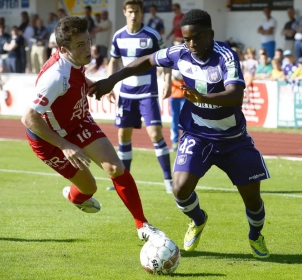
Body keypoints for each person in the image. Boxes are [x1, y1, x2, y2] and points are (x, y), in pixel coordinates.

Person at [88, 9, 271, 259]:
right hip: (198, 134)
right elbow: (147, 60)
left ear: (211, 34)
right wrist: (113, 79)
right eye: (187, 39)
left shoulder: (225, 56)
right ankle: (198, 219)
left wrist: (203, 98)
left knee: (252, 199)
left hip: (232, 140)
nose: (192, 44)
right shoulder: (179, 52)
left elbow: (236, 95)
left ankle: (255, 236)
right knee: (180, 188)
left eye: (197, 37)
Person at [20, 16, 165, 242]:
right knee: (89, 188)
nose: (88, 48)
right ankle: (75, 197)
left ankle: (142, 225)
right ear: (63, 49)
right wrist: (65, 145)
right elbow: (29, 118)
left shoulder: (72, 61)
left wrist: (88, 85)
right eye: (80, 45)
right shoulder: (55, 76)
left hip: (78, 122)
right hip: (49, 139)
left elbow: (75, 75)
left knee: (116, 168)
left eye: (88, 41)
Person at [106, 0, 173, 193]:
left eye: (136, 11)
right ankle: (123, 182)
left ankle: (168, 180)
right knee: (123, 136)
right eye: (130, 11)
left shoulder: (152, 35)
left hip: (148, 93)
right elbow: (113, 60)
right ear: (125, 12)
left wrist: (167, 81)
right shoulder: (118, 36)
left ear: (141, 12)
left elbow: (166, 60)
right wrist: (110, 84)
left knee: (155, 134)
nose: (133, 15)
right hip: (126, 94)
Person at [169, 38, 185, 152]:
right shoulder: (170, 60)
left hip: (185, 95)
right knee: (174, 120)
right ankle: (175, 142)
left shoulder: (187, 59)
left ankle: (185, 143)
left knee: (185, 120)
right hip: (174, 95)